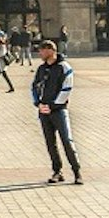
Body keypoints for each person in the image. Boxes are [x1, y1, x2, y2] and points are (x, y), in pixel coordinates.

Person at [32, 39, 82, 184]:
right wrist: (38, 103)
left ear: (51, 51)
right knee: (50, 143)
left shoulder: (64, 67)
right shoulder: (42, 68)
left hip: (59, 110)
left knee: (67, 140)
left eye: (42, 50)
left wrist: (54, 105)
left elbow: (67, 88)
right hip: (44, 111)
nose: (39, 53)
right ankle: (57, 171)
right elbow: (34, 87)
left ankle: (77, 172)